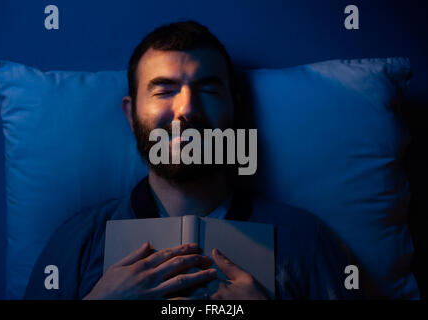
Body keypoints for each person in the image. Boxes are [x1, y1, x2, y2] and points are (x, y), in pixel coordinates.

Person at [24, 21, 361, 300]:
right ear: (131, 114)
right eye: (164, 90)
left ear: (235, 108)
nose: (186, 109)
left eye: (209, 90)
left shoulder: (305, 240)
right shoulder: (78, 242)